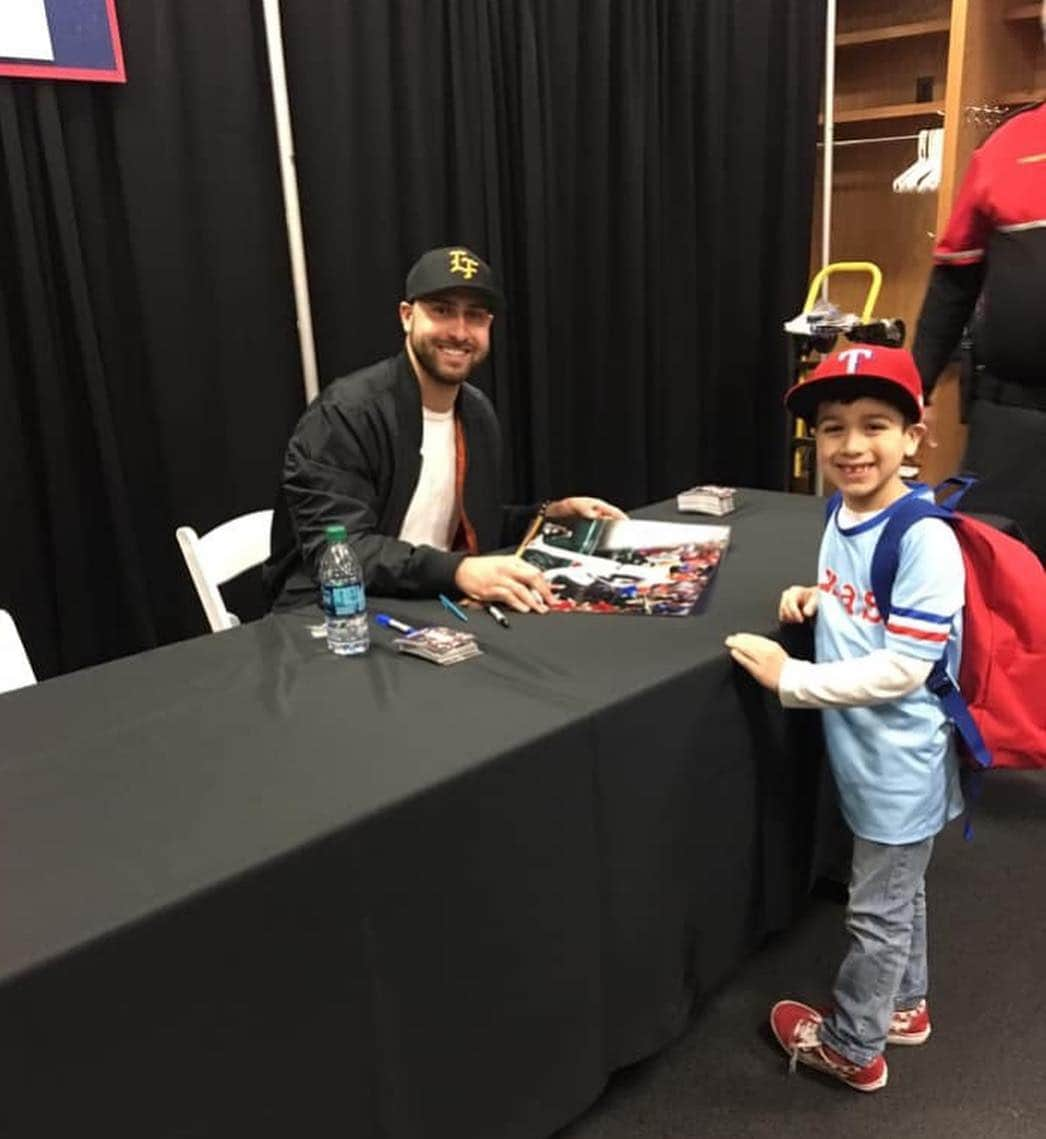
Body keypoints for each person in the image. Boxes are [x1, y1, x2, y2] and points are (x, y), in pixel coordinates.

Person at [725, 346, 965, 1092]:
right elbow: (863, 596)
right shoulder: (844, 512)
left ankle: (854, 1043)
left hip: (899, 766)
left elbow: (907, 666)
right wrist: (818, 596)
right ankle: (905, 1004)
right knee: (900, 891)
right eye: (833, 428)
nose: (852, 446)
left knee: (876, 910)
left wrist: (790, 674)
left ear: (913, 436)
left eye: (875, 425)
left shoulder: (925, 537)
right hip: (865, 756)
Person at [263, 246, 624, 612]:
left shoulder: (477, 413)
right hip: (336, 619)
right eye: (442, 310)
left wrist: (550, 514)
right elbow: (340, 551)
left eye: (476, 316)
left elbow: (475, 523)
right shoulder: (345, 415)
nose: (460, 331)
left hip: (430, 605)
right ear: (407, 317)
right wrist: (459, 571)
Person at [911, 5, 1046, 561]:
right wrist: (910, 389)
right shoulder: (1005, 146)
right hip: (1011, 426)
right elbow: (954, 282)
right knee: (993, 579)